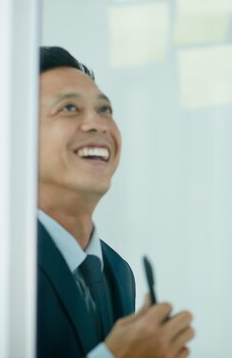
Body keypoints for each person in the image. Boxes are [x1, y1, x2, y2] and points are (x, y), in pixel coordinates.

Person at [36, 46, 195, 358]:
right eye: (69, 108)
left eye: (105, 110)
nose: (98, 124)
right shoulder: (7, 263)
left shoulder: (118, 272)